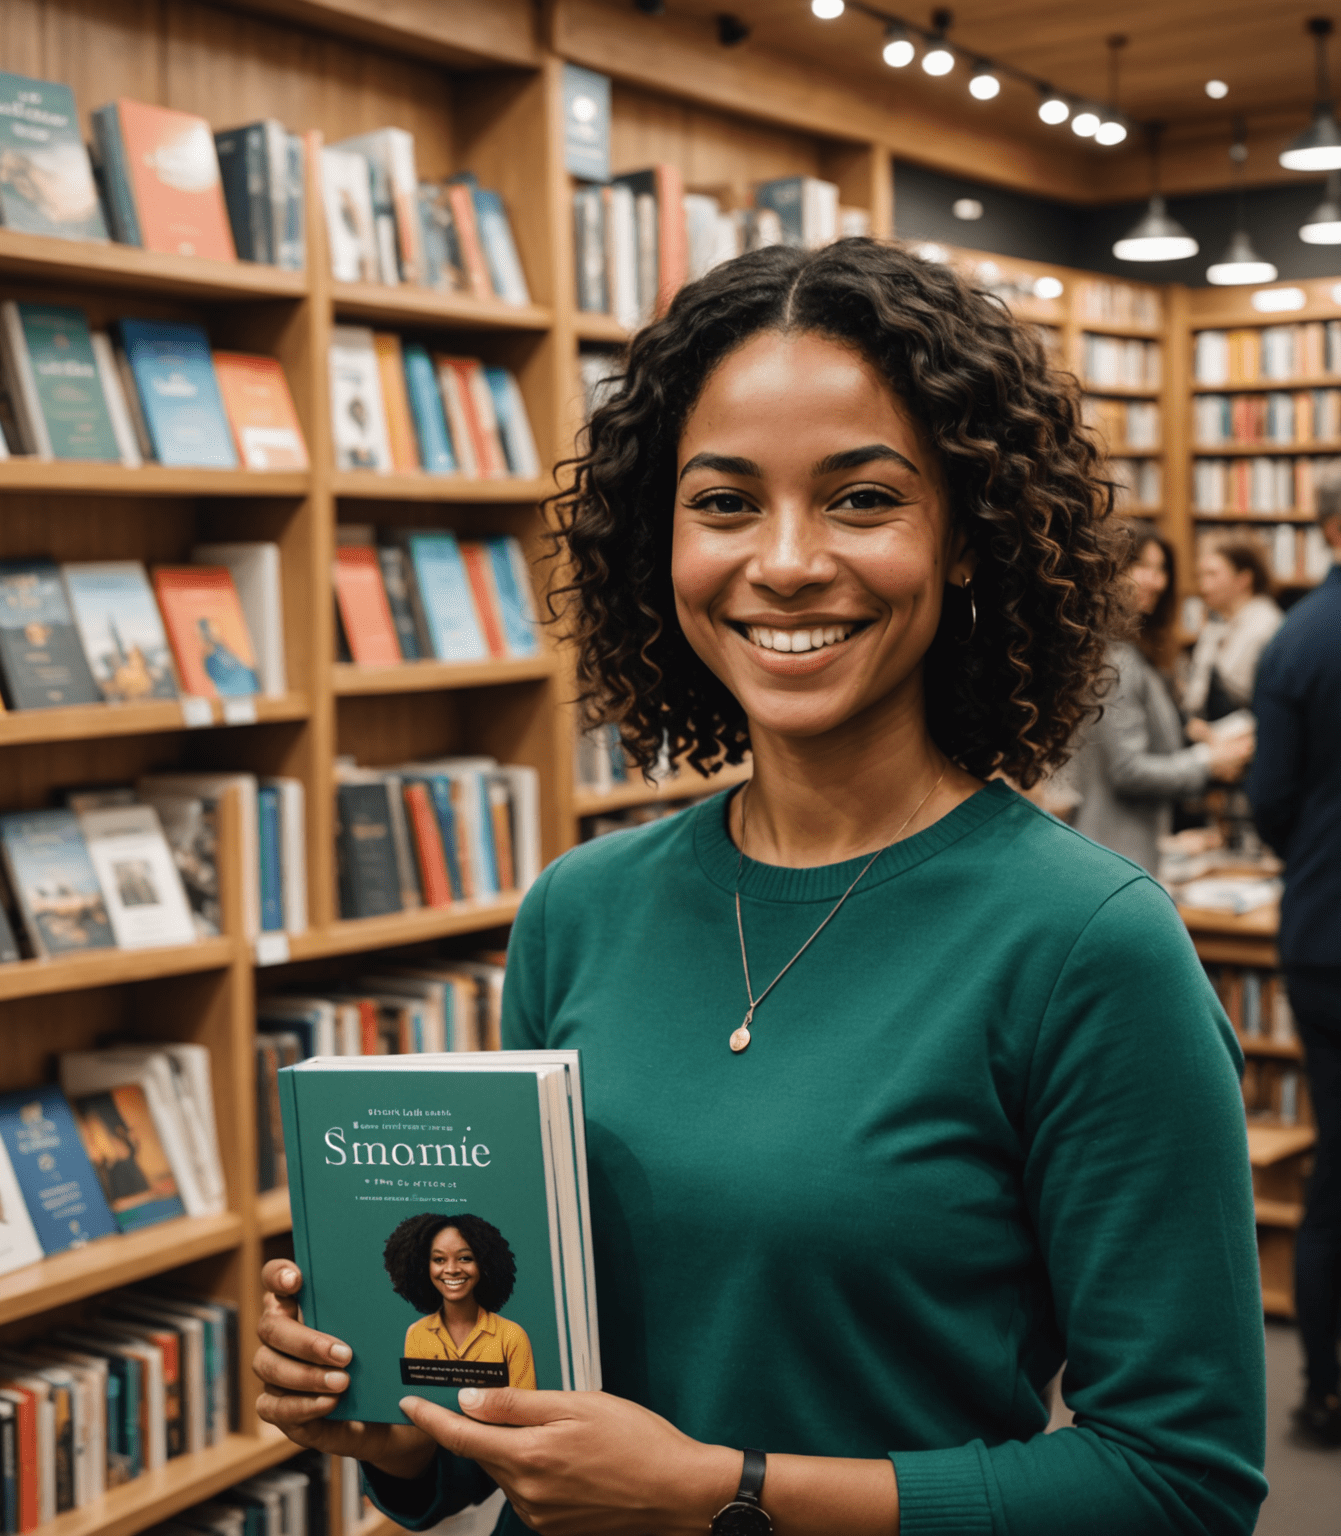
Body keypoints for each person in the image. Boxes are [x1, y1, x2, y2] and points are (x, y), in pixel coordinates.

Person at [252, 241, 1265, 1535]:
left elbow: (1177, 1485)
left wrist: (722, 1495)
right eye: (725, 502)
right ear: (656, 539)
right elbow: (512, 1422)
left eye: (861, 500)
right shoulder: (581, 908)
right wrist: (392, 1429)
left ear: (967, 537)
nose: (784, 562)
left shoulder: (1088, 946)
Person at [1248, 479, 1341, 1448]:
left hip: (1325, 930)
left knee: (1334, 1174)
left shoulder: (1301, 638)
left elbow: (1270, 799)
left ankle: (1324, 1387)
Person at [1072, 523, 1252, 876]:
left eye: (1161, 569)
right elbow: (1128, 770)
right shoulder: (1115, 659)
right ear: (1109, 571)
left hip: (1127, 848)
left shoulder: (1130, 653)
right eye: (1141, 567)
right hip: (1114, 854)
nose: (1156, 581)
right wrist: (1207, 761)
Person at [386, 1214, 536, 1391]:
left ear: (484, 1264)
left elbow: (526, 1411)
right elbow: (419, 1402)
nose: (451, 1270)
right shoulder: (417, 1334)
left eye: (465, 1258)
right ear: (423, 1266)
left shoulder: (512, 1336)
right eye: (439, 1259)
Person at [1185, 539, 1284, 729]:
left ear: (1244, 579)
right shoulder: (1218, 624)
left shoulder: (1266, 627)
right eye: (1200, 575)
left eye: (1212, 574)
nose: (1203, 584)